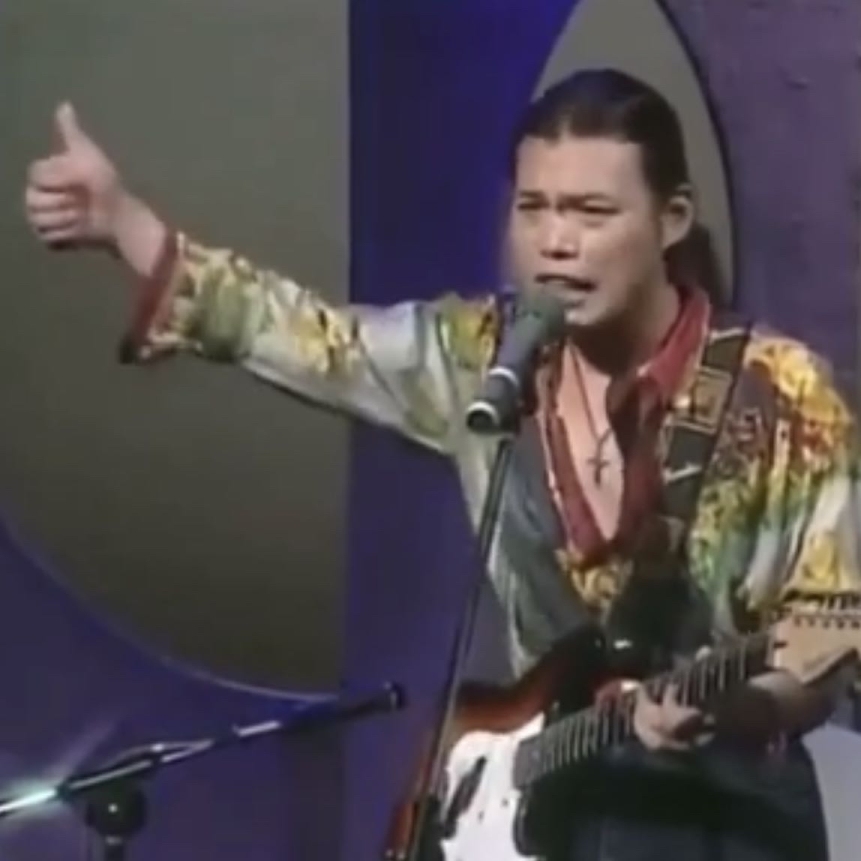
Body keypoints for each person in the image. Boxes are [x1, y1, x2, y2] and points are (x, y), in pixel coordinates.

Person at [24, 68, 861, 860]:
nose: (555, 241)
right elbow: (319, 340)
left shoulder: (782, 393)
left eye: (591, 212)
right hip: (554, 805)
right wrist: (126, 226)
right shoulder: (484, 357)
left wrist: (735, 705)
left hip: (726, 820)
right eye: (532, 208)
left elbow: (827, 641)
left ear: (671, 219)